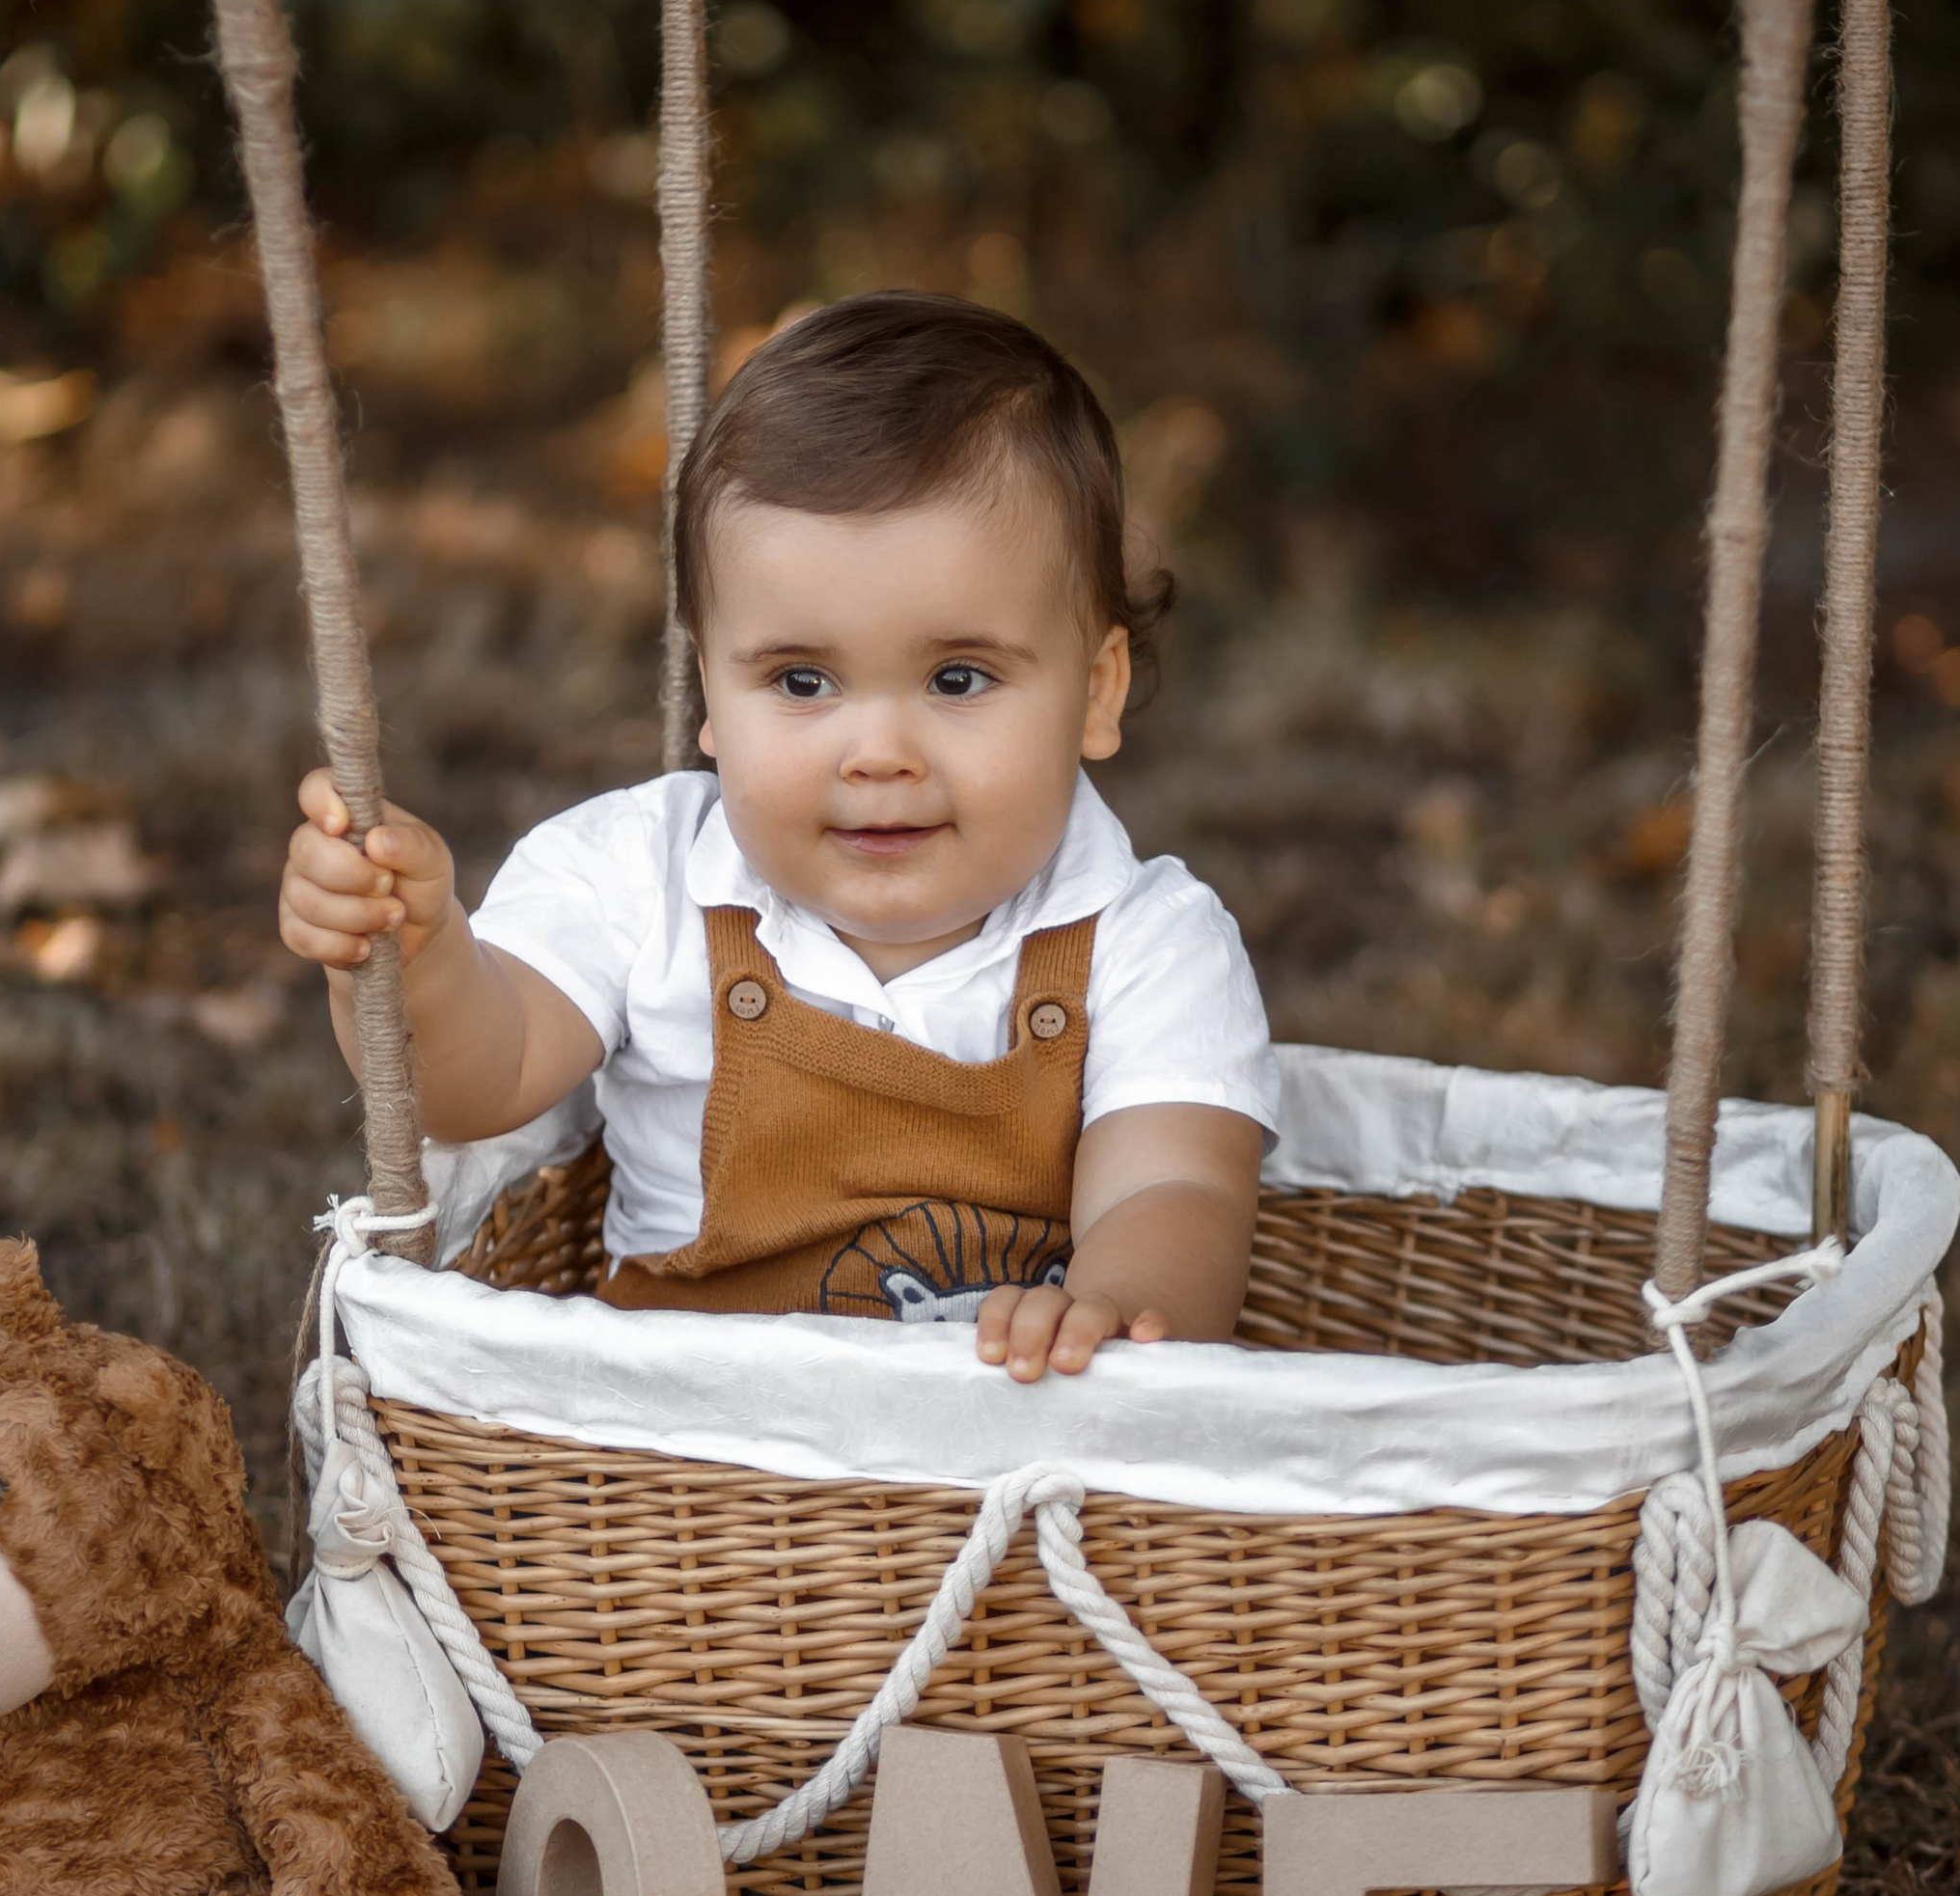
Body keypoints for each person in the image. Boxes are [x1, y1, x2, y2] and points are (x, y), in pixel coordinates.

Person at [279, 292, 1278, 1384]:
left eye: (958, 678)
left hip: (1008, 1465)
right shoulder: (637, 877)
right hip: (692, 1483)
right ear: (709, 692)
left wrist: (1111, 1310)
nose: (878, 751)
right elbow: (484, 1077)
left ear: (1096, 692)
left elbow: (1171, 1189)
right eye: (802, 680)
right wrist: (411, 956)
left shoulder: (1146, 941)